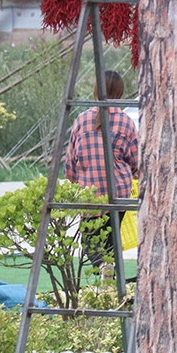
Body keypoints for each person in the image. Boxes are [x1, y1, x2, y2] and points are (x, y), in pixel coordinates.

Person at [64, 70, 139, 267]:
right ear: (120, 94)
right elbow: (136, 163)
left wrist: (77, 180)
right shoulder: (126, 122)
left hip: (90, 194)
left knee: (90, 243)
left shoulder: (82, 120)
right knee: (111, 243)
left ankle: (104, 272)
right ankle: (110, 275)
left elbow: (70, 164)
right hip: (119, 194)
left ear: (96, 90)